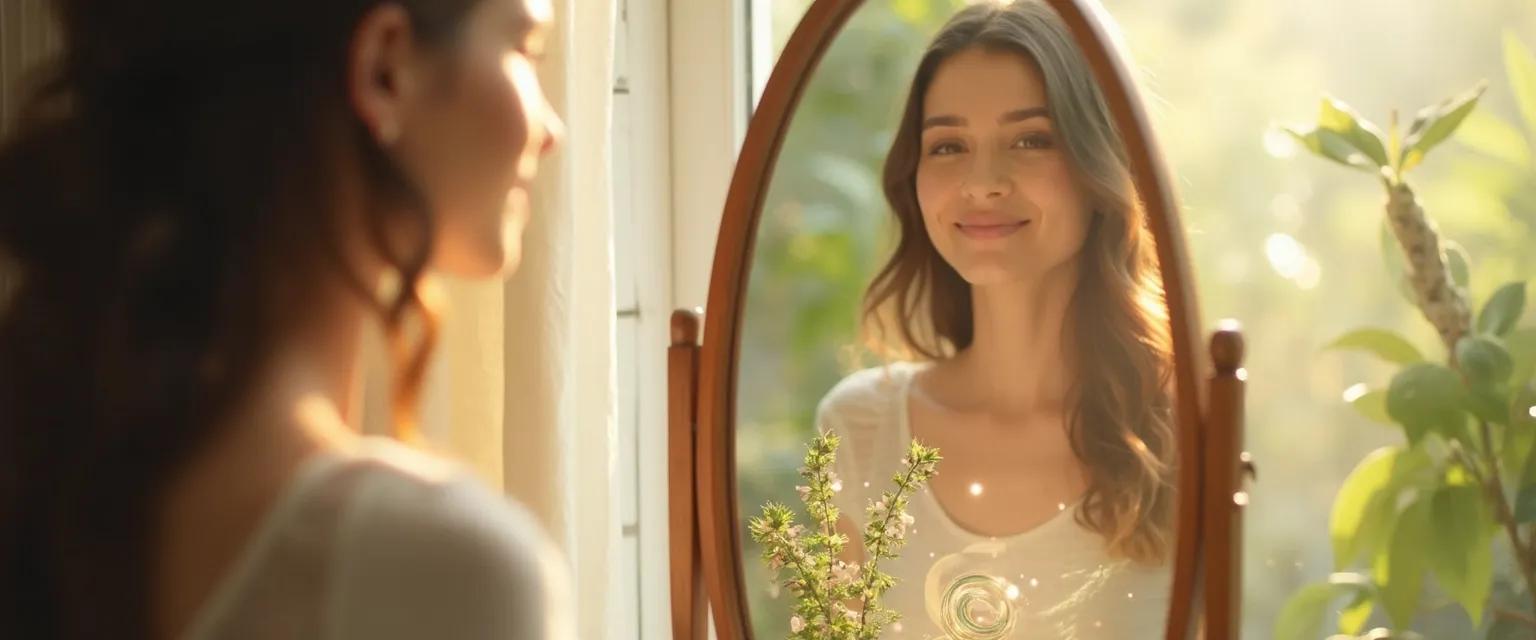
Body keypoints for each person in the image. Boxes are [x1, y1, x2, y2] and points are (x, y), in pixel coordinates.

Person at [0, 0, 571, 638]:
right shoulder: (449, 571)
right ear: (385, 69)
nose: (553, 128)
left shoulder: (58, 484)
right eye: (526, 48)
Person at [818, 1, 1176, 637]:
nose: (982, 183)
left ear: (1099, 166)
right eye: (948, 145)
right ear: (914, 178)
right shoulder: (861, 431)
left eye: (1031, 139)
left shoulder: (1182, 429)